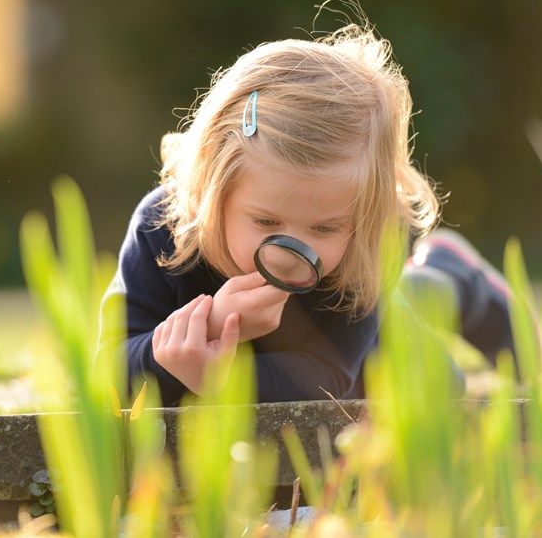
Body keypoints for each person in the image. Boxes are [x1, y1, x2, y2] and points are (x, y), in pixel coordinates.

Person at [101, 24, 515, 406]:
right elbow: (111, 369)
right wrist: (197, 337)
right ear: (213, 186)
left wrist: (223, 380)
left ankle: (452, 279)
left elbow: (325, 380)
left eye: (325, 228)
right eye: (265, 223)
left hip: (372, 356)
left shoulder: (359, 251)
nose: (291, 253)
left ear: (363, 220)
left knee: (438, 377)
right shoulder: (163, 226)